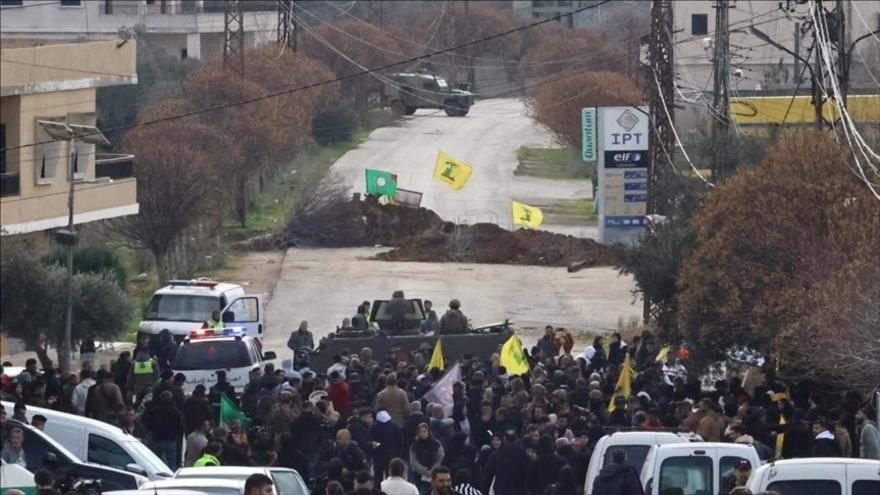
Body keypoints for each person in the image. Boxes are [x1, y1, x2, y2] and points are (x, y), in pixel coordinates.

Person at [143, 390, 185, 470]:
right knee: (171, 463)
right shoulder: (175, 411)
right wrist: (178, 435)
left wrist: (152, 430)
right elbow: (180, 426)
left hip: (157, 439)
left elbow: (146, 422)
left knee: (155, 462)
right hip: (171, 439)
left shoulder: (154, 410)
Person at [410, 423, 444, 494]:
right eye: (420, 432)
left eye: (424, 431)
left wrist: (432, 470)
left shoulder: (436, 444)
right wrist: (422, 470)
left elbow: (440, 458)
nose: (423, 434)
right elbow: (413, 460)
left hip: (434, 473)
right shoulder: (415, 445)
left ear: (428, 432)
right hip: (418, 475)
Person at [372, 410, 403, 479]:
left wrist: (377, 448)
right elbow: (400, 441)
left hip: (379, 456)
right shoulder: (395, 426)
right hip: (392, 455)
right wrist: (398, 453)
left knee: (378, 477)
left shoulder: (374, 427)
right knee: (390, 475)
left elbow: (373, 442)